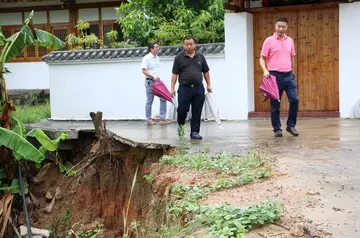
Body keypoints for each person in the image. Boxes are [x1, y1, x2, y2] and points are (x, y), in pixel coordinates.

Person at [259, 17, 299, 137]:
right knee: (275, 104)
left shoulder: (290, 41)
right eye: (279, 26)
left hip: (289, 75)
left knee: (295, 100)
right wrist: (265, 70)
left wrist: (293, 71)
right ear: (275, 27)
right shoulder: (269, 41)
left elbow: (292, 57)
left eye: (283, 26)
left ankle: (290, 126)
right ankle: (277, 129)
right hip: (274, 76)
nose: (281, 28)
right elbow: (262, 58)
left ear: (287, 28)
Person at [171, 35, 212, 140]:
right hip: (184, 89)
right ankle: (181, 127)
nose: (188, 46)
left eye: (190, 44)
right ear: (183, 45)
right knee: (182, 110)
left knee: (197, 111)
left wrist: (209, 85)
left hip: (198, 88)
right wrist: (172, 88)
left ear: (195, 44)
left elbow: (206, 71)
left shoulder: (200, 56)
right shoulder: (179, 58)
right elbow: (174, 74)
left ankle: (195, 132)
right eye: (186, 44)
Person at [141, 42, 170, 125]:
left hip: (158, 81)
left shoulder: (157, 57)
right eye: (156, 47)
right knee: (150, 101)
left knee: (163, 98)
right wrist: (152, 76)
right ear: (151, 49)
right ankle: (148, 118)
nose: (158, 48)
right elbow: (143, 70)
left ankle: (162, 117)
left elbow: (156, 70)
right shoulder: (146, 58)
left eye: (158, 47)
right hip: (150, 82)